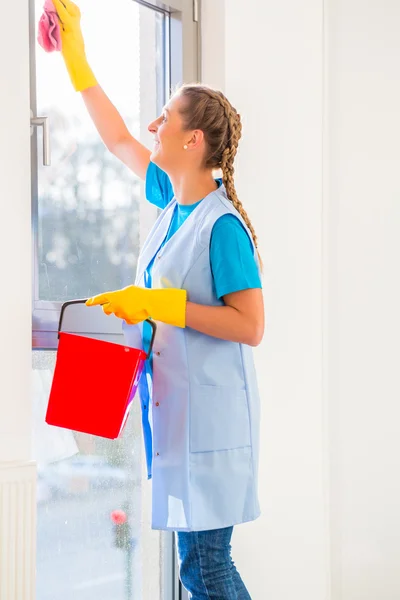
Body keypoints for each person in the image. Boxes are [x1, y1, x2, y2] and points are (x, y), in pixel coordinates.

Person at [51, 2, 265, 598]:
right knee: (201, 567)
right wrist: (76, 55)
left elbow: (250, 325)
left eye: (165, 118)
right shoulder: (174, 205)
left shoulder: (220, 227)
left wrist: (155, 305)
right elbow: (116, 135)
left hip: (213, 425)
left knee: (206, 569)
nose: (153, 126)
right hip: (180, 415)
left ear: (192, 140)